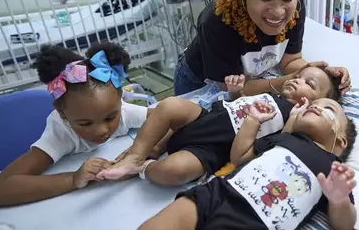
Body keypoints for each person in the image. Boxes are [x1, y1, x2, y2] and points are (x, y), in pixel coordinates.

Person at [95, 98, 357, 230]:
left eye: (329, 109)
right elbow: (239, 157)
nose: (316, 105)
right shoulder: (283, 139)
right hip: (212, 201)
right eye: (315, 103)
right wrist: (253, 121)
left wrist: (338, 198)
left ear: (340, 142)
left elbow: (344, 224)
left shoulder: (332, 170)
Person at [0, 43, 159, 208]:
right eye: (85, 123)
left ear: (119, 101)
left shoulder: (124, 112)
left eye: (110, 118)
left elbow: (167, 115)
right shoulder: (62, 133)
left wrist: (143, 150)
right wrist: (73, 179)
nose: (102, 130)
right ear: (62, 113)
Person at [98, 65, 341, 185]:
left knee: (173, 171)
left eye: (308, 83)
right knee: (168, 106)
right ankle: (138, 154)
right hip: (205, 116)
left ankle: (145, 166)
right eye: (297, 76)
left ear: (318, 101)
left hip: (214, 149)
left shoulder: (298, 118)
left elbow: (282, 142)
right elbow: (239, 104)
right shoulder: (272, 94)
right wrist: (235, 93)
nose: (296, 81)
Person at [173, 0, 350, 96]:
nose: (279, 11)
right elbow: (228, 87)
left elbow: (291, 60)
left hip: (247, 77)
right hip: (198, 78)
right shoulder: (218, 20)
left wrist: (322, 75)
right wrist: (285, 81)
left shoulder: (296, 9)